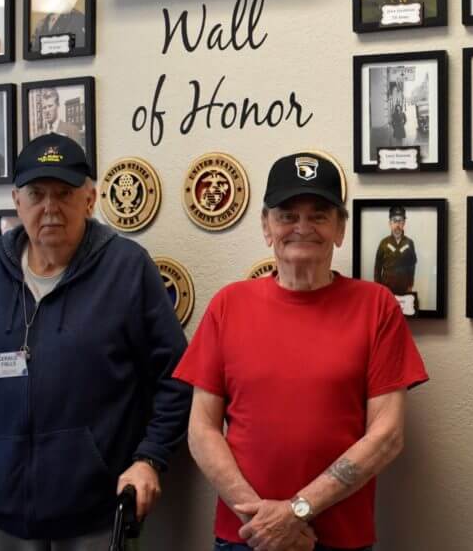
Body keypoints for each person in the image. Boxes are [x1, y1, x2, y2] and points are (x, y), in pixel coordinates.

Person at [0, 133, 191, 547]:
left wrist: (149, 459)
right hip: (4, 513)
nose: (50, 208)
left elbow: (177, 377)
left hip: (97, 515)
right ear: (17, 200)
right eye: (37, 194)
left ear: (90, 199)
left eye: (64, 193)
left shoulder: (126, 268)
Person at [175, 152, 428, 551]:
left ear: (340, 228)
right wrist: (261, 521)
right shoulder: (228, 304)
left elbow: (388, 435)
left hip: (338, 538)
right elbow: (201, 430)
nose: (302, 227)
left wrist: (296, 512)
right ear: (266, 225)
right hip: (245, 537)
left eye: (319, 215)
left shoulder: (376, 307)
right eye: (287, 215)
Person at [373, 205, 417, 296]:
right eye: (394, 221)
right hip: (387, 291)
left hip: (404, 291)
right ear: (390, 223)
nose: (397, 225)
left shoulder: (409, 243)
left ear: (404, 223)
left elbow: (412, 266)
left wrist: (410, 284)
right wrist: (378, 287)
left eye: (400, 221)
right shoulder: (384, 243)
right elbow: (377, 267)